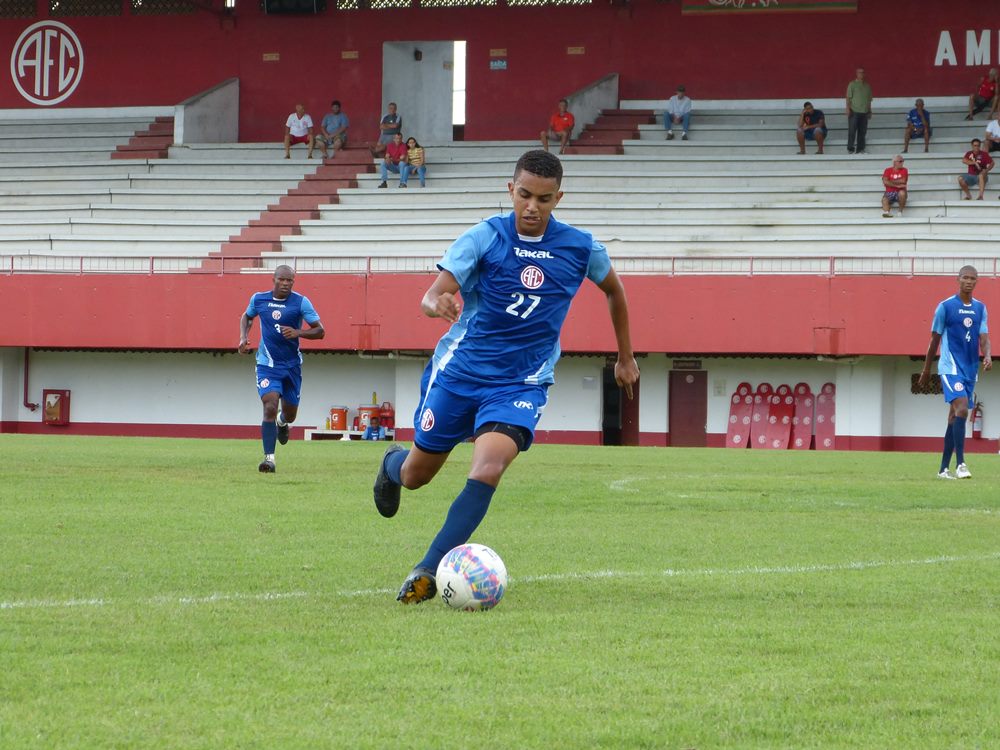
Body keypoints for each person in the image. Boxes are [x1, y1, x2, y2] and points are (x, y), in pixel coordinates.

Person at [371, 149, 640, 604]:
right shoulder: (485, 237)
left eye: (545, 198)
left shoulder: (579, 248)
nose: (533, 207)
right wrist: (435, 304)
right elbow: (433, 294)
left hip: (521, 382)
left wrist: (625, 356)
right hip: (458, 374)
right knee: (418, 475)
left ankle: (429, 570)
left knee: (490, 466)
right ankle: (391, 466)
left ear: (559, 198)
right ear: (510, 190)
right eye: (524, 195)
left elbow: (615, 291)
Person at [238, 265, 325, 473]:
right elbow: (247, 316)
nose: (286, 284)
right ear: (273, 279)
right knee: (269, 405)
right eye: (282, 280)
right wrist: (243, 337)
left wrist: (298, 332)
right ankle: (269, 459)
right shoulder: (259, 299)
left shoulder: (300, 302)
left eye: (290, 281)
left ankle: (282, 422)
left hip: (292, 366)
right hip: (267, 365)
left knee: (290, 413)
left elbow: (320, 331)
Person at [918, 266, 992, 480]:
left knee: (953, 417)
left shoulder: (980, 309)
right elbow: (934, 341)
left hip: (970, 370)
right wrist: (926, 369)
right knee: (961, 410)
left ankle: (943, 469)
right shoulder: (946, 307)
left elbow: (984, 338)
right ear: (958, 280)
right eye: (965, 278)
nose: (969, 281)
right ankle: (961, 464)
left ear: (977, 282)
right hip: (950, 368)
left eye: (973, 279)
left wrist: (987, 355)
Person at [846, 67, 873, 154]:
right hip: (854, 111)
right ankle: (850, 149)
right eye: (859, 72)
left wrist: (870, 111)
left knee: (862, 132)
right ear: (856, 74)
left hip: (864, 112)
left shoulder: (867, 86)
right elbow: (848, 98)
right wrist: (847, 109)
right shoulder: (852, 84)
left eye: (863, 72)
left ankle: (860, 149)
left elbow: (869, 100)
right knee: (852, 131)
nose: (861, 74)